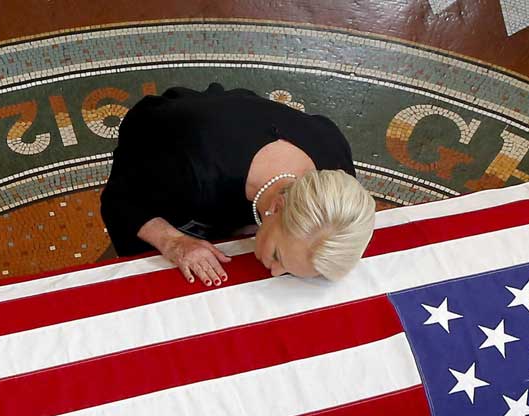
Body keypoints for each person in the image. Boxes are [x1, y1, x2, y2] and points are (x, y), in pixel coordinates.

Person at [100, 83, 376, 285]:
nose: (276, 272)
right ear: (277, 206)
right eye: (278, 256)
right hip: (161, 144)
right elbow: (119, 200)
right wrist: (173, 242)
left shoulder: (336, 174)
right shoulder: (192, 169)